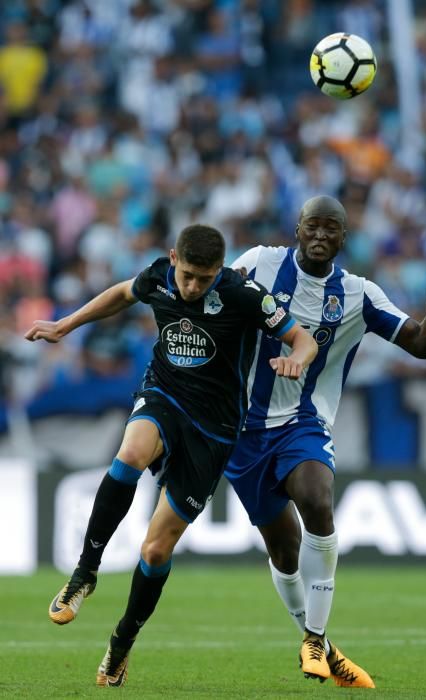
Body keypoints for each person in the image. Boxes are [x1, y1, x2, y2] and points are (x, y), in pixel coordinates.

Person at [25, 224, 317, 687]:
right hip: (164, 393)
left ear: (219, 271)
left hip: (215, 429)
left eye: (204, 279)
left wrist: (297, 358)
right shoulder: (159, 275)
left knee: (156, 549)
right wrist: (66, 324)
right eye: (186, 275)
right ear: (172, 257)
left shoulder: (243, 293)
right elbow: (123, 293)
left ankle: (122, 641)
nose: (192, 287)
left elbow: (302, 338)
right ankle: (85, 571)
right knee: (130, 454)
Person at [224, 195, 426, 688]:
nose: (321, 235)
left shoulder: (358, 293)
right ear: (297, 228)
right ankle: (325, 649)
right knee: (284, 552)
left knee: (317, 500)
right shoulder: (257, 263)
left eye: (332, 228)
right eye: (313, 225)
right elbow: (214, 307)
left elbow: (420, 345)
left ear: (343, 238)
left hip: (304, 422)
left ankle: (313, 636)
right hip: (244, 430)